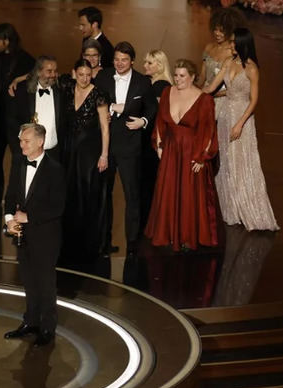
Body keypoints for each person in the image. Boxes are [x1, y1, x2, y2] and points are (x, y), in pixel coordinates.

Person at [204, 28, 279, 231]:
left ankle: (247, 205)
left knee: (242, 161)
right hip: (226, 116)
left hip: (242, 118)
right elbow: (212, 88)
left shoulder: (252, 69)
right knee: (227, 161)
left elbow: (254, 100)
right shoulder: (229, 63)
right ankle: (232, 208)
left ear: (243, 44)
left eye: (234, 42)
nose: (231, 45)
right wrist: (187, 90)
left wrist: (240, 123)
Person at [145, 59, 219, 251]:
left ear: (192, 77)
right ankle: (168, 233)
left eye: (182, 76)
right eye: (176, 75)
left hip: (191, 154)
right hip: (170, 152)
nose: (178, 79)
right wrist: (160, 146)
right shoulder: (167, 92)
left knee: (189, 195)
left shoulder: (204, 100)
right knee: (169, 192)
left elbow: (209, 131)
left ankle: (187, 235)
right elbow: (161, 122)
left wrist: (202, 157)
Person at [94, 42, 158, 260]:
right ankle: (103, 240)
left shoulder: (142, 82)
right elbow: (96, 101)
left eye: (123, 59)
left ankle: (132, 243)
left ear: (132, 60)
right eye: (116, 59)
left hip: (130, 146)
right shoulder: (103, 77)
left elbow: (151, 108)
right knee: (104, 194)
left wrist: (143, 121)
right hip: (106, 145)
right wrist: (109, 109)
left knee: (132, 196)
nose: (119, 63)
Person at [4, 123, 66, 347]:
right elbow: (11, 194)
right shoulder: (19, 162)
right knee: (29, 280)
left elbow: (58, 206)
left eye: (26, 141)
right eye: (21, 140)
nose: (21, 144)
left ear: (40, 142)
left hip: (46, 235)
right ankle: (30, 322)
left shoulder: (55, 169)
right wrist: (9, 219)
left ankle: (47, 327)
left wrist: (29, 217)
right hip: (23, 235)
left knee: (45, 282)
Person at [0, 23, 35, 254]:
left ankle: (15, 202)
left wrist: (20, 78)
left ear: (6, 40)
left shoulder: (24, 58)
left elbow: (38, 71)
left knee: (17, 161)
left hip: (14, 119)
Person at [58, 59, 110, 267]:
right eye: (81, 74)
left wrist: (104, 155)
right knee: (69, 193)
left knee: (87, 194)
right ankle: (70, 241)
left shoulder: (99, 94)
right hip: (69, 150)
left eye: (88, 75)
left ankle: (90, 244)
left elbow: (105, 127)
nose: (85, 78)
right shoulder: (68, 88)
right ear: (74, 73)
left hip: (90, 152)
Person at [140, 49, 174, 231]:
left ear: (160, 66)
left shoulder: (161, 86)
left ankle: (156, 222)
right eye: (145, 62)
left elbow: (160, 115)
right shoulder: (150, 82)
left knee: (152, 179)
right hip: (149, 136)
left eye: (150, 63)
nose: (145, 65)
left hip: (156, 138)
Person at [8, 56, 64, 163]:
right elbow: (12, 121)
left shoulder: (62, 89)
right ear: (38, 72)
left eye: (55, 71)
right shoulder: (22, 91)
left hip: (54, 152)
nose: (53, 74)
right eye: (49, 71)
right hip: (29, 152)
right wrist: (19, 149)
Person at [197, 7, 246, 119]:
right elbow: (202, 77)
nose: (217, 33)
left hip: (224, 100)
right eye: (215, 29)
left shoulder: (234, 54)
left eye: (222, 30)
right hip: (205, 95)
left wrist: (214, 94)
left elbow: (237, 87)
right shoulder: (209, 48)